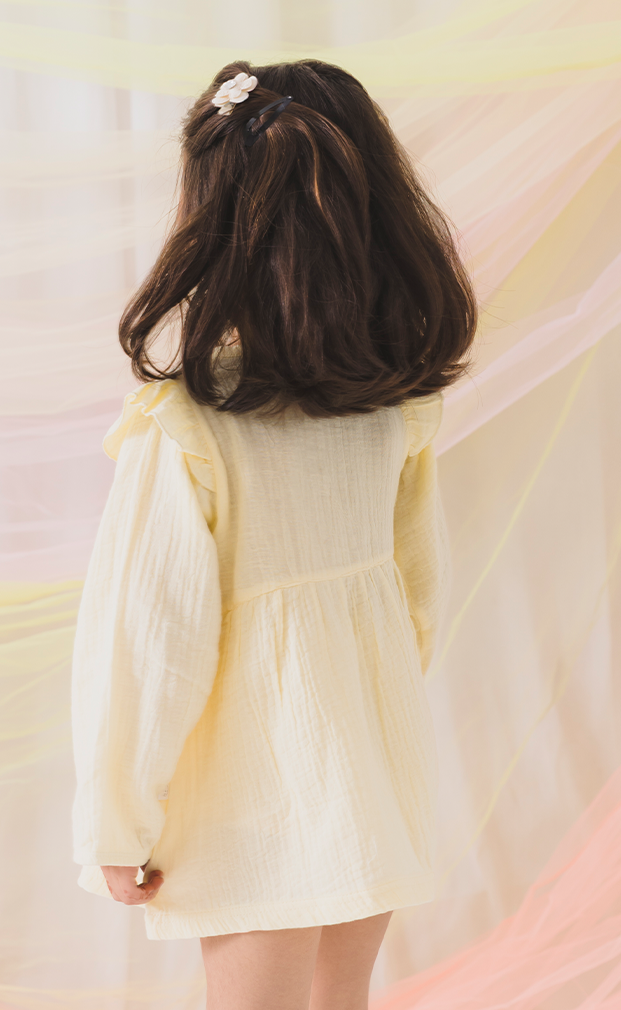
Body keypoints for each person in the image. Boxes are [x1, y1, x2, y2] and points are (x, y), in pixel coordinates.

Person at [71, 59, 476, 1010]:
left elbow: (150, 643)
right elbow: (418, 596)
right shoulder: (389, 408)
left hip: (250, 793)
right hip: (370, 767)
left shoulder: (191, 427)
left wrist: (117, 821)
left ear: (210, 221)